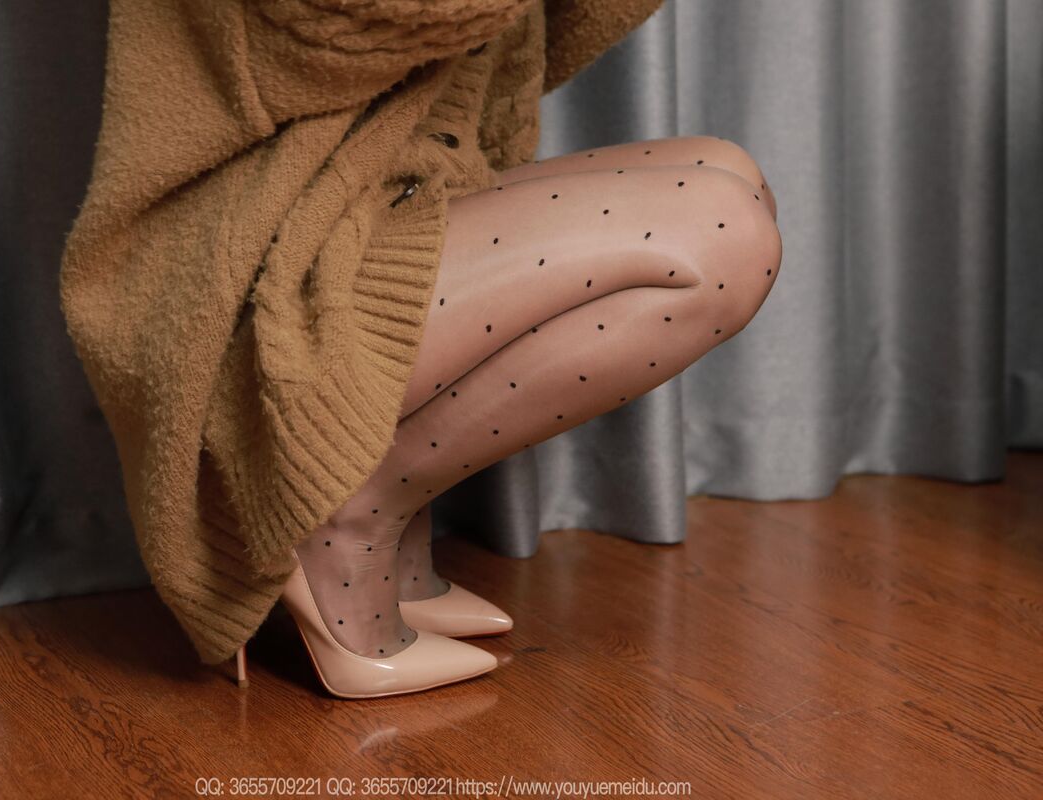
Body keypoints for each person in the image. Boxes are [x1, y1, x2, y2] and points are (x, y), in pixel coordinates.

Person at [60, 0, 780, 700]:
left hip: (378, 189)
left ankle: (381, 502)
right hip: (250, 257)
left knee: (730, 171)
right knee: (724, 237)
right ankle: (342, 513)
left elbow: (551, 32)